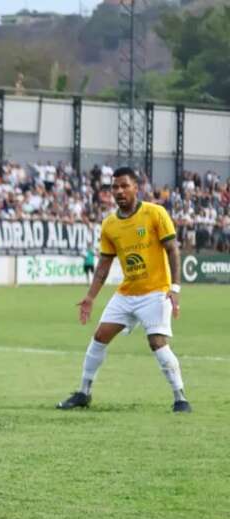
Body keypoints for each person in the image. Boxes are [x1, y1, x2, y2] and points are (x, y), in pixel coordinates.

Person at [57, 168, 190, 413]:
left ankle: (180, 396)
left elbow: (173, 250)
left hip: (155, 292)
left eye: (124, 186)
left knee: (157, 342)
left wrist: (175, 288)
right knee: (99, 337)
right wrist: (90, 297)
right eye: (114, 187)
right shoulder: (109, 225)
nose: (119, 191)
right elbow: (103, 266)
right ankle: (84, 393)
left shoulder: (155, 213)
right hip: (127, 294)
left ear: (135, 187)